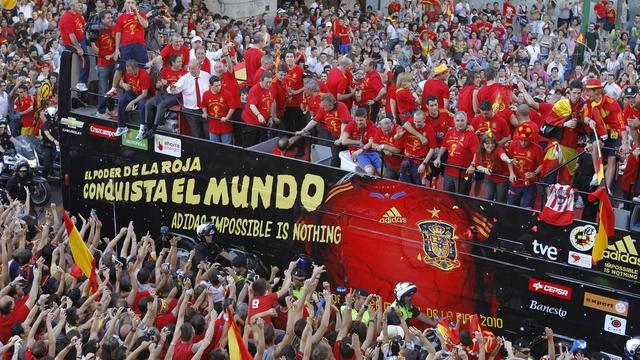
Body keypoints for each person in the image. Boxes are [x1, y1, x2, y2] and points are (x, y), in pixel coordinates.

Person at [583, 78, 627, 189]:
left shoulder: (612, 103)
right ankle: (597, 174)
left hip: (612, 131)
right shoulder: (589, 101)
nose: (586, 93)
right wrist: (589, 121)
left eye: (589, 91)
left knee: (612, 159)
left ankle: (605, 188)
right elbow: (585, 117)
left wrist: (625, 142)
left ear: (597, 91)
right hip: (598, 129)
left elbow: (621, 125)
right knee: (595, 144)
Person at [105, 0, 149, 97]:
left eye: (132, 3)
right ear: (125, 4)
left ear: (136, 5)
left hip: (139, 45)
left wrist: (136, 13)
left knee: (143, 67)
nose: (130, 5)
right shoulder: (121, 17)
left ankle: (143, 89)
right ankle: (113, 88)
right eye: (128, 2)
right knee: (120, 67)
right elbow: (118, 33)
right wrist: (116, 49)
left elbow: (145, 25)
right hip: (126, 46)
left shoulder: (141, 13)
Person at [296, 93, 351, 167]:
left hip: (347, 136)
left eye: (325, 107)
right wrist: (303, 131)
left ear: (331, 104)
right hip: (334, 136)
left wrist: (341, 138)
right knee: (335, 157)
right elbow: (315, 120)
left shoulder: (341, 106)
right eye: (323, 106)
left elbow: (344, 123)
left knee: (348, 156)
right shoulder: (323, 108)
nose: (324, 109)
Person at [141, 54, 186, 139]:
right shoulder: (165, 70)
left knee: (162, 105)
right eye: (179, 61)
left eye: (181, 61)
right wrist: (160, 84)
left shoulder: (184, 73)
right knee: (148, 103)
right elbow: (157, 86)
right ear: (172, 63)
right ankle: (147, 127)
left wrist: (169, 84)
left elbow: (182, 88)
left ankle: (153, 129)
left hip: (176, 96)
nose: (181, 63)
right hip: (164, 93)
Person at [434, 111, 479, 195]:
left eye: (462, 120)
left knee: (461, 198)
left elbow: (477, 153)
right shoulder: (450, 132)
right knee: (447, 196)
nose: (460, 123)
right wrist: (438, 158)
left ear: (466, 121)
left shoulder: (472, 135)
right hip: (449, 171)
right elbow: (444, 146)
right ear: (454, 121)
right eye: (457, 121)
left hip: (464, 174)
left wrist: (473, 165)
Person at [503, 123, 543, 208]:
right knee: (511, 207)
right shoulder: (513, 145)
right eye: (521, 140)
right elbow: (509, 161)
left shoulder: (537, 149)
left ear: (530, 138)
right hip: (515, 182)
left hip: (529, 183)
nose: (523, 143)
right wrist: (511, 173)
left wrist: (534, 173)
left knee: (527, 209)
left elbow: (541, 164)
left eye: (526, 140)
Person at [168, 59, 210, 139]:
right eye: (190, 68)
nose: (191, 70)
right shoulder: (184, 79)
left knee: (207, 132)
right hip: (191, 111)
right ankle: (197, 150)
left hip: (205, 109)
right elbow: (175, 89)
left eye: (193, 68)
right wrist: (172, 88)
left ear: (199, 67)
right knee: (196, 134)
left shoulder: (207, 76)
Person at [396, 110, 437, 185]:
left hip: (419, 161)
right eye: (415, 121)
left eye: (419, 122)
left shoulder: (429, 130)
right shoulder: (410, 126)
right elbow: (397, 136)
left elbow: (432, 149)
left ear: (424, 119)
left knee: (419, 185)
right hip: (407, 159)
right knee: (404, 184)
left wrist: (424, 164)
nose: (416, 124)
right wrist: (397, 136)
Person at [91, 10, 117, 119]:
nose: (110, 19)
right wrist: (105, 55)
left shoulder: (114, 28)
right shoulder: (98, 31)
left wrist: (114, 53)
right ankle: (100, 111)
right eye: (108, 18)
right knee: (103, 89)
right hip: (103, 64)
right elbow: (94, 48)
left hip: (114, 62)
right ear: (102, 20)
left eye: (111, 17)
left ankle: (110, 109)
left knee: (112, 87)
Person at [114, 59, 151, 136]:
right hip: (133, 92)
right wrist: (123, 84)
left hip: (144, 94)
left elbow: (144, 94)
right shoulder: (127, 72)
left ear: (136, 68)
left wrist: (132, 102)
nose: (128, 72)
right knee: (121, 99)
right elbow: (120, 82)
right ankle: (122, 126)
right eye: (127, 70)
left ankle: (142, 128)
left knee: (142, 104)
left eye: (130, 71)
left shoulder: (144, 75)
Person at [340, 108, 380, 176]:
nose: (358, 122)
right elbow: (343, 141)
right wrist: (358, 142)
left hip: (370, 152)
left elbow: (371, 143)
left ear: (366, 118)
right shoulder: (351, 124)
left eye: (361, 120)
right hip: (356, 153)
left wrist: (360, 150)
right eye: (357, 120)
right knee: (370, 170)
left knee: (382, 172)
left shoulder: (371, 124)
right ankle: (369, 185)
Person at [59, 0, 88, 92]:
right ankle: (80, 82)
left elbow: (84, 25)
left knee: (87, 57)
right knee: (84, 58)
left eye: (80, 3)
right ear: (71, 6)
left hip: (81, 39)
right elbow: (71, 36)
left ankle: (83, 82)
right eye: (77, 4)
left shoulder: (77, 14)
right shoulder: (67, 17)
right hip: (72, 42)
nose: (80, 5)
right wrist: (79, 48)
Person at [242, 72, 275, 147]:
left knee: (260, 143)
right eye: (266, 82)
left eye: (270, 82)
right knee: (249, 144)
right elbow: (252, 105)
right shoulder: (254, 90)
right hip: (251, 122)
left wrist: (270, 117)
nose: (268, 84)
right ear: (261, 80)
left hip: (263, 122)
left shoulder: (270, 88)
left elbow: (271, 102)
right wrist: (259, 115)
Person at [473, 133, 509, 202]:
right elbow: (477, 165)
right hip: (490, 178)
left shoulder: (498, 148)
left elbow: (502, 155)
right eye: (487, 143)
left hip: (502, 178)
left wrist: (507, 160)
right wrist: (484, 169)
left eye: (492, 143)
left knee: (500, 200)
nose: (490, 145)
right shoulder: (479, 151)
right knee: (487, 199)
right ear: (483, 144)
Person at [201, 75, 236, 144]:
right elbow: (203, 105)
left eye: (220, 85)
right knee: (214, 146)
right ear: (211, 86)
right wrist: (204, 113)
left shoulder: (227, 94)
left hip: (225, 126)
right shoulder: (206, 94)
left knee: (227, 146)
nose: (219, 87)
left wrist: (227, 117)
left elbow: (233, 107)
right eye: (216, 86)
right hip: (213, 126)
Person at [39, 106, 58, 178]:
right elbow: (47, 133)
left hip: (56, 146)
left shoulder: (56, 123)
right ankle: (43, 178)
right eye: (55, 114)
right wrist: (54, 141)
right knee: (46, 164)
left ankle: (53, 173)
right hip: (47, 146)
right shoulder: (46, 124)